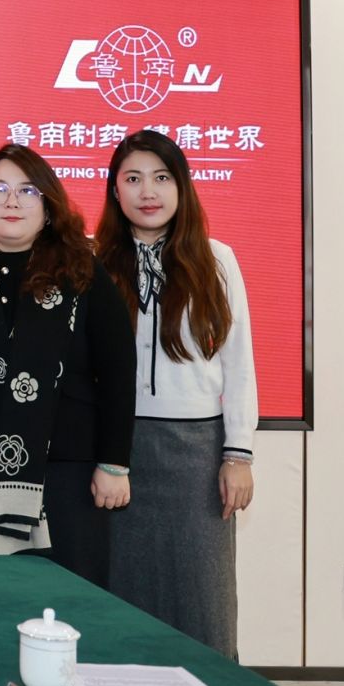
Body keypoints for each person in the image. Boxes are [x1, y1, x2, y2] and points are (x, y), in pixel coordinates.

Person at [96, 129, 257, 657]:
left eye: (162, 178)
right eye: (133, 178)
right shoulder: (94, 261)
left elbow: (238, 362)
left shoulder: (217, 259)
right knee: (121, 595)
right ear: (114, 190)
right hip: (116, 451)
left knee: (203, 600)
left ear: (182, 187)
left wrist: (238, 454)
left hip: (196, 454)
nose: (148, 191)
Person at [0, 143, 135, 584]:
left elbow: (118, 370)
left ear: (49, 207)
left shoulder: (82, 270)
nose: (12, 201)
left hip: (69, 469)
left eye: (28, 190)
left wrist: (114, 463)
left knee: (72, 601)